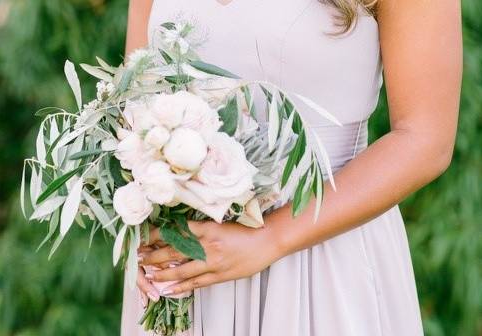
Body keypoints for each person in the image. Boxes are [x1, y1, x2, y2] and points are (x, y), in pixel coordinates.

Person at [121, 0, 462, 335]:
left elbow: (425, 139)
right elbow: (134, 98)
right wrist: (135, 223)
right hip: (181, 264)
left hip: (319, 257)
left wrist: (273, 238)